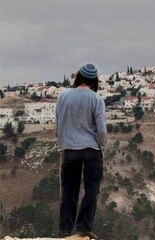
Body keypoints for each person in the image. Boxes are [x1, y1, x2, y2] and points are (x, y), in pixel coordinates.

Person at [56, 63, 107, 240]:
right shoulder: (96, 99)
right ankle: (84, 227)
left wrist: (62, 142)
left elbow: (59, 123)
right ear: (94, 80)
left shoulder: (63, 97)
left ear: (78, 78)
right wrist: (103, 145)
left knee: (69, 189)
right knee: (91, 189)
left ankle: (65, 229)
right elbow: (101, 129)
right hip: (91, 150)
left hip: (69, 149)